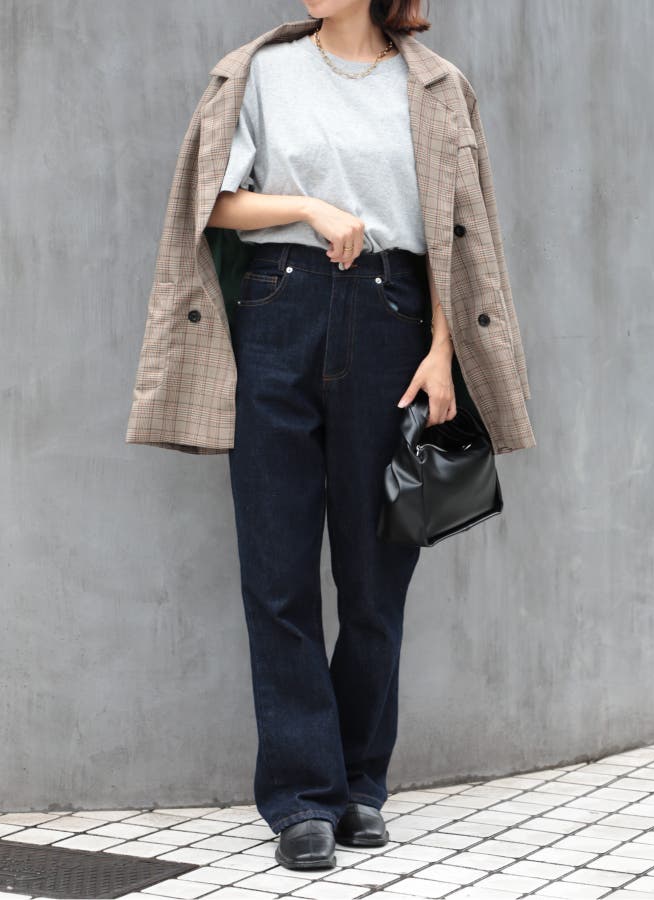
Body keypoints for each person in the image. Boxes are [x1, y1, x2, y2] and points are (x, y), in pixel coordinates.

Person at [201, 0, 507, 872]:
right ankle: (302, 796)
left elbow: (458, 230)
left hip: (392, 318)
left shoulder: (436, 87)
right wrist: (309, 206)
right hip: (278, 308)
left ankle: (360, 784)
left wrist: (443, 351)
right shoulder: (260, 71)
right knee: (277, 572)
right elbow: (211, 202)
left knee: (376, 578)